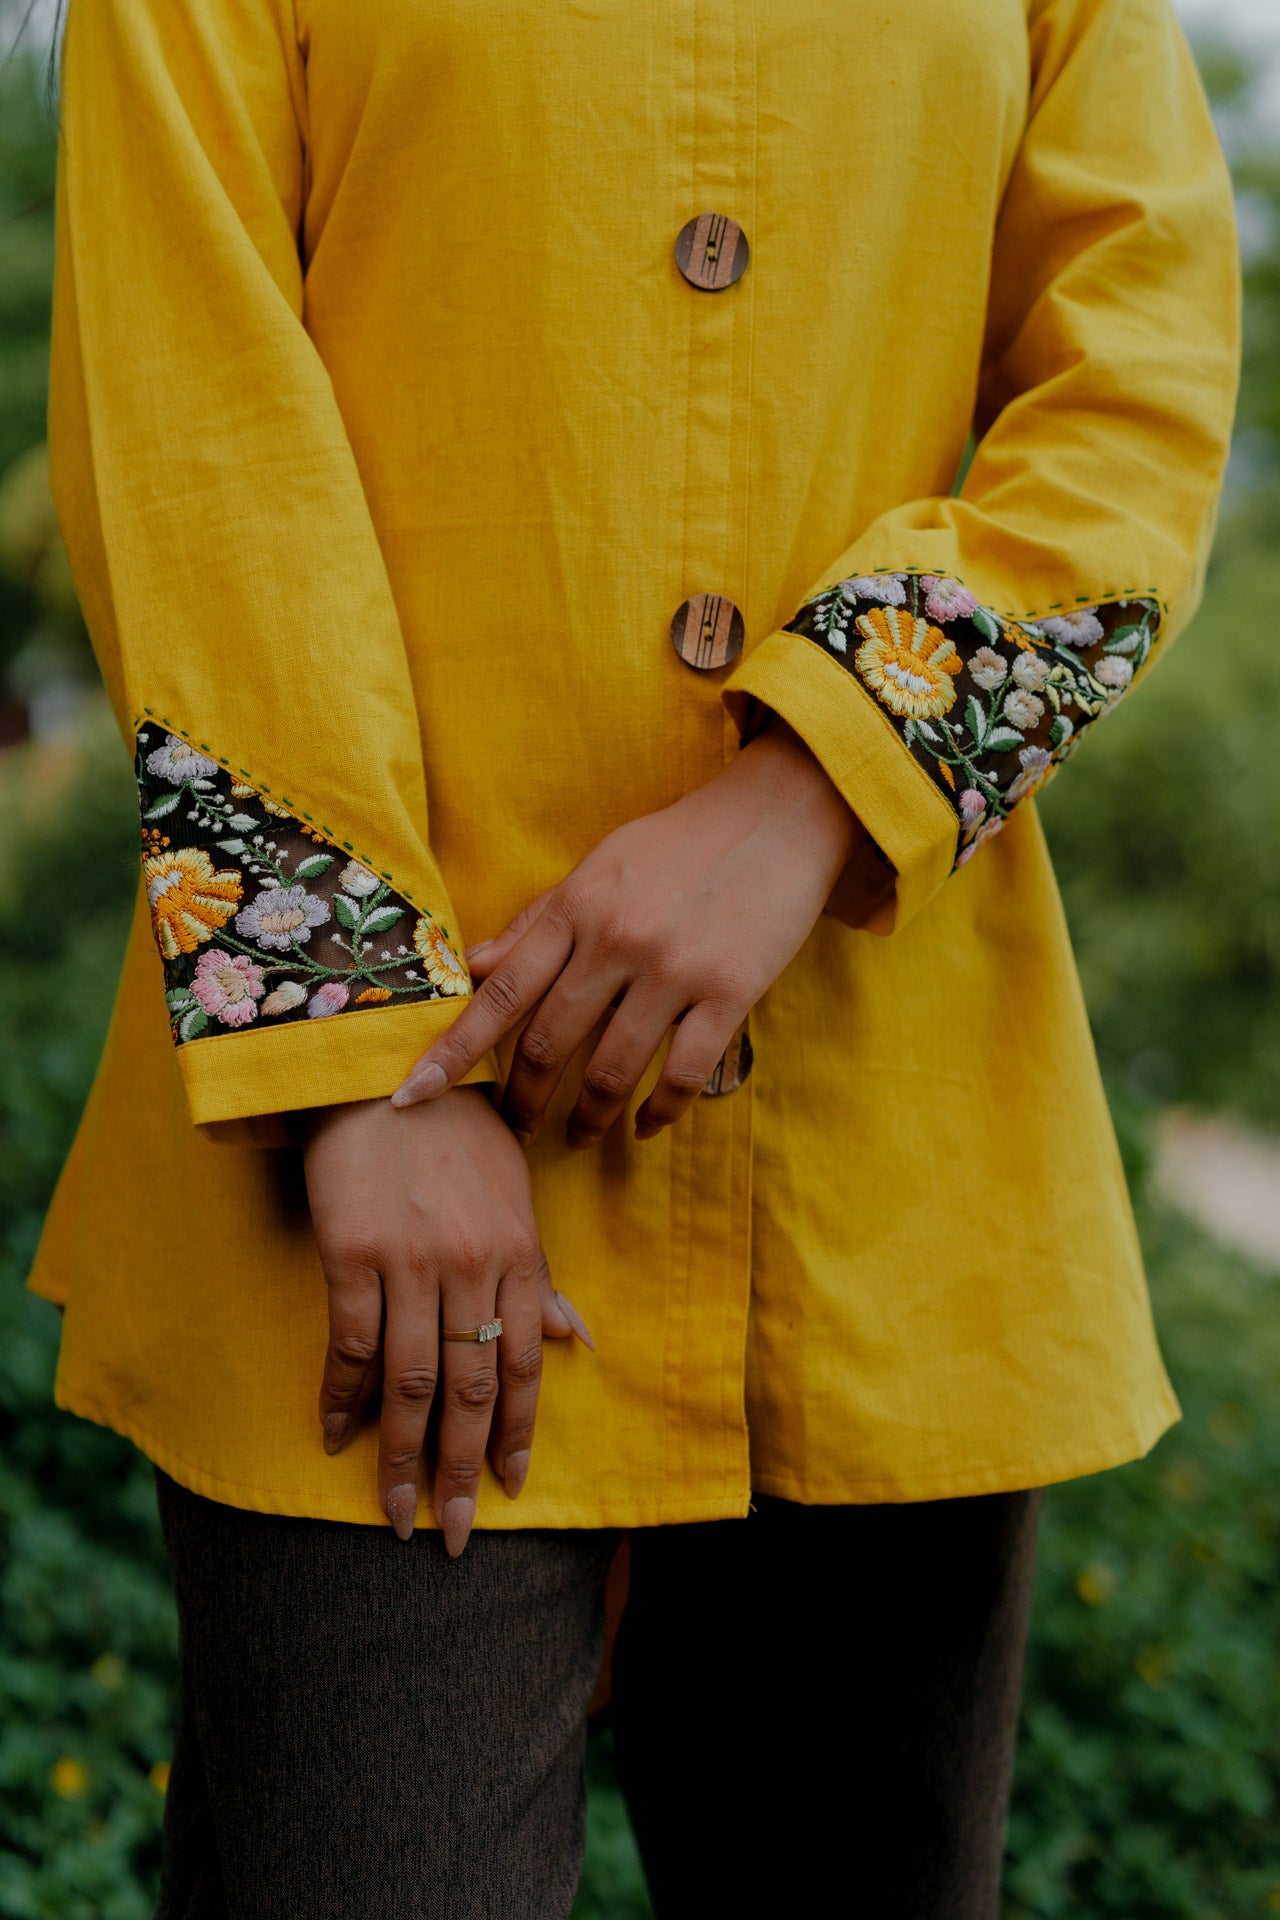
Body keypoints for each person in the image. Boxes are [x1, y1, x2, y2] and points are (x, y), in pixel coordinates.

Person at [29, 0, 1239, 1913]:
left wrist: (819, 789)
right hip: (367, 1189)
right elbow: (188, 427)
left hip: (887, 1139)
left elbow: (1140, 373)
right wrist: (360, 1048)